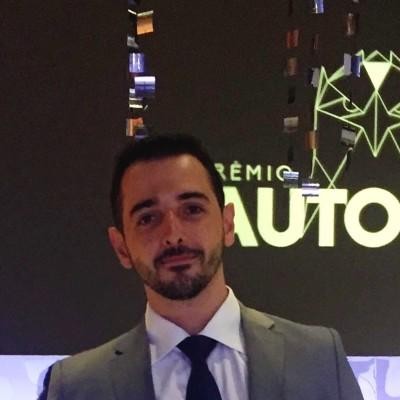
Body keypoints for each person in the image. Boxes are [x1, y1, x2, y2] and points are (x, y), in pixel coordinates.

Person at [40, 133, 363, 400]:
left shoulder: (318, 359)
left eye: (192, 209)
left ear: (227, 224)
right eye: (148, 218)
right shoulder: (75, 387)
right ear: (121, 247)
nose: (173, 234)